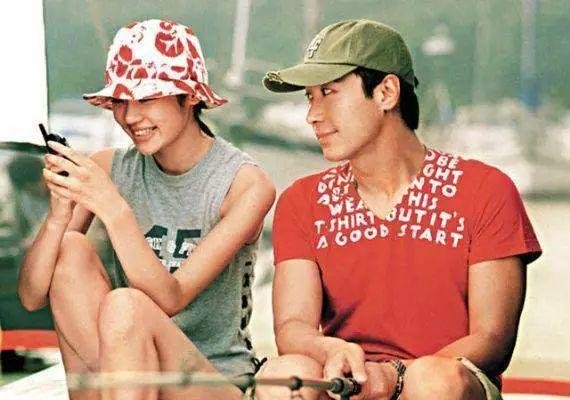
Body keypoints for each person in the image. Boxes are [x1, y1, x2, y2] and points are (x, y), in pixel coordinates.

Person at [256, 19, 541, 400]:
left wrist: (395, 377)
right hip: (349, 384)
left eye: (328, 92)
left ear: (386, 93)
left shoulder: (486, 190)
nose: (313, 115)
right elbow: (293, 327)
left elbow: (493, 339)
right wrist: (329, 351)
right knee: (282, 377)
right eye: (310, 97)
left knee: (432, 382)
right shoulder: (301, 201)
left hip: (446, 382)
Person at [17, 18, 275, 400]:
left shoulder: (244, 184)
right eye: (120, 101)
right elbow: (31, 296)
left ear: (190, 96)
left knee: (125, 306)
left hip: (213, 383)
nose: (130, 117)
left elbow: (171, 298)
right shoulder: (113, 168)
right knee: (69, 248)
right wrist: (58, 217)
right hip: (129, 377)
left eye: (147, 98)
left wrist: (113, 208)